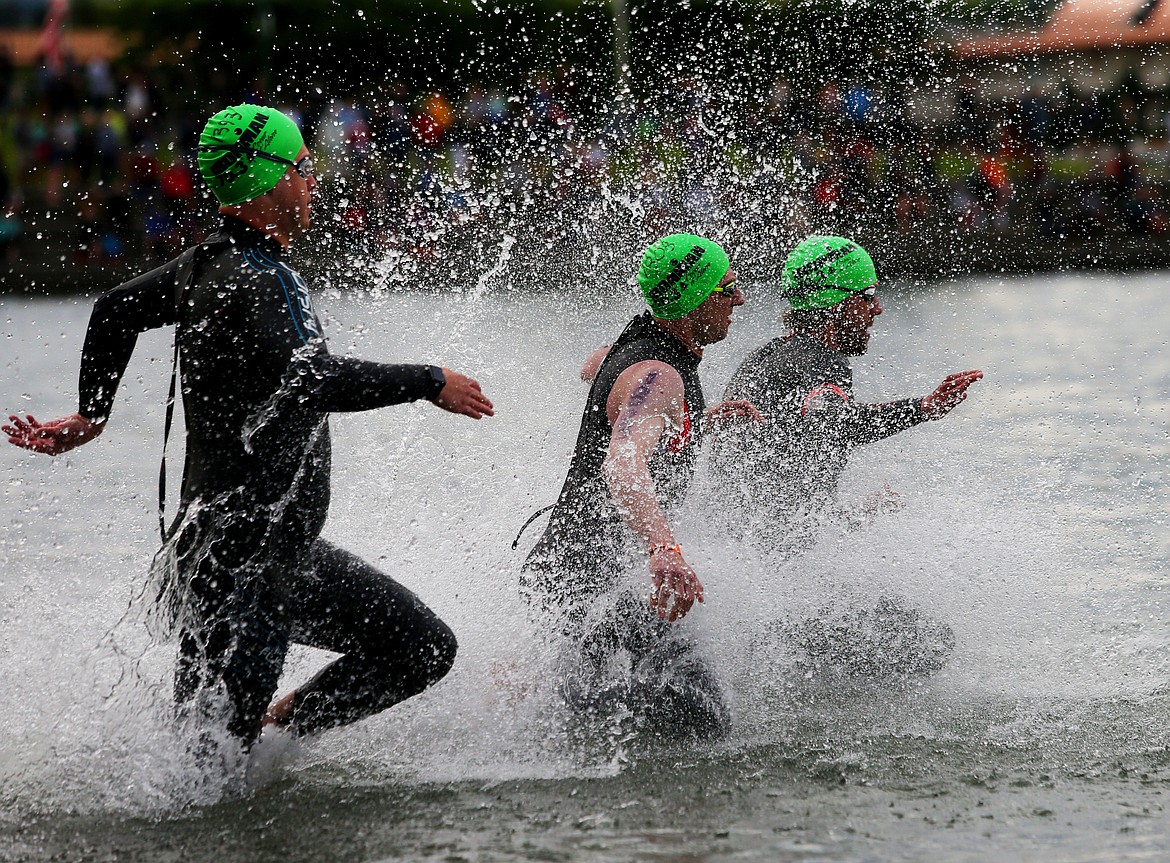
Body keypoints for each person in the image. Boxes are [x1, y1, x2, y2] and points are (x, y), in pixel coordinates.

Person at [4, 105, 495, 751]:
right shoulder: (259, 279)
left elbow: (114, 309)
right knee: (209, 768)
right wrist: (428, 379)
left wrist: (93, 413)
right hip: (243, 567)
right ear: (266, 181)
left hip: (268, 554)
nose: (312, 178)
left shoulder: (206, 264)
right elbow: (312, 378)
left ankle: (281, 729)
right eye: (301, 166)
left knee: (420, 645)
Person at [520, 233, 758, 742]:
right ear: (691, 301)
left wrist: (691, 422)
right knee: (702, 725)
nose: (739, 300)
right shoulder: (658, 375)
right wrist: (664, 550)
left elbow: (596, 370)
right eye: (726, 289)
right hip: (590, 583)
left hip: (572, 571)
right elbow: (623, 464)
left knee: (597, 731)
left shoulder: (632, 349)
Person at [712, 235, 981, 678]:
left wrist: (851, 517)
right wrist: (924, 408)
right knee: (926, 643)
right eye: (869, 296)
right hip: (772, 594)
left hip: (751, 580)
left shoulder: (769, 358)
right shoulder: (814, 364)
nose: (877, 310)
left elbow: (778, 484)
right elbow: (835, 426)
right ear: (836, 304)